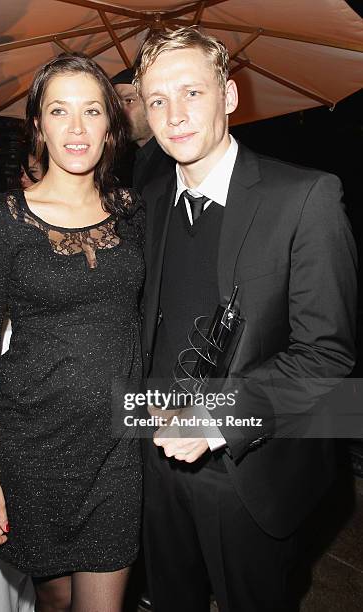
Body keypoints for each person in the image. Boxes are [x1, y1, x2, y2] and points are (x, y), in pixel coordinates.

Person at [135, 27, 357, 612]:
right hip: (154, 463)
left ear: (230, 96)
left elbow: (328, 354)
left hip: (249, 471)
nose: (174, 116)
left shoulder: (306, 197)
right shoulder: (150, 202)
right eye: (157, 100)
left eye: (192, 93)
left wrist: (212, 420)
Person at [0, 53, 144, 612]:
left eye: (91, 111)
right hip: (32, 443)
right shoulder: (4, 215)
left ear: (111, 124)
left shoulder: (133, 210)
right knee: (56, 600)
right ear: (37, 124)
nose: (76, 127)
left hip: (117, 444)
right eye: (59, 111)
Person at [111, 67, 173, 192]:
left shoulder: (172, 160)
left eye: (129, 100)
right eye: (116, 105)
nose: (119, 113)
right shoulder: (137, 158)